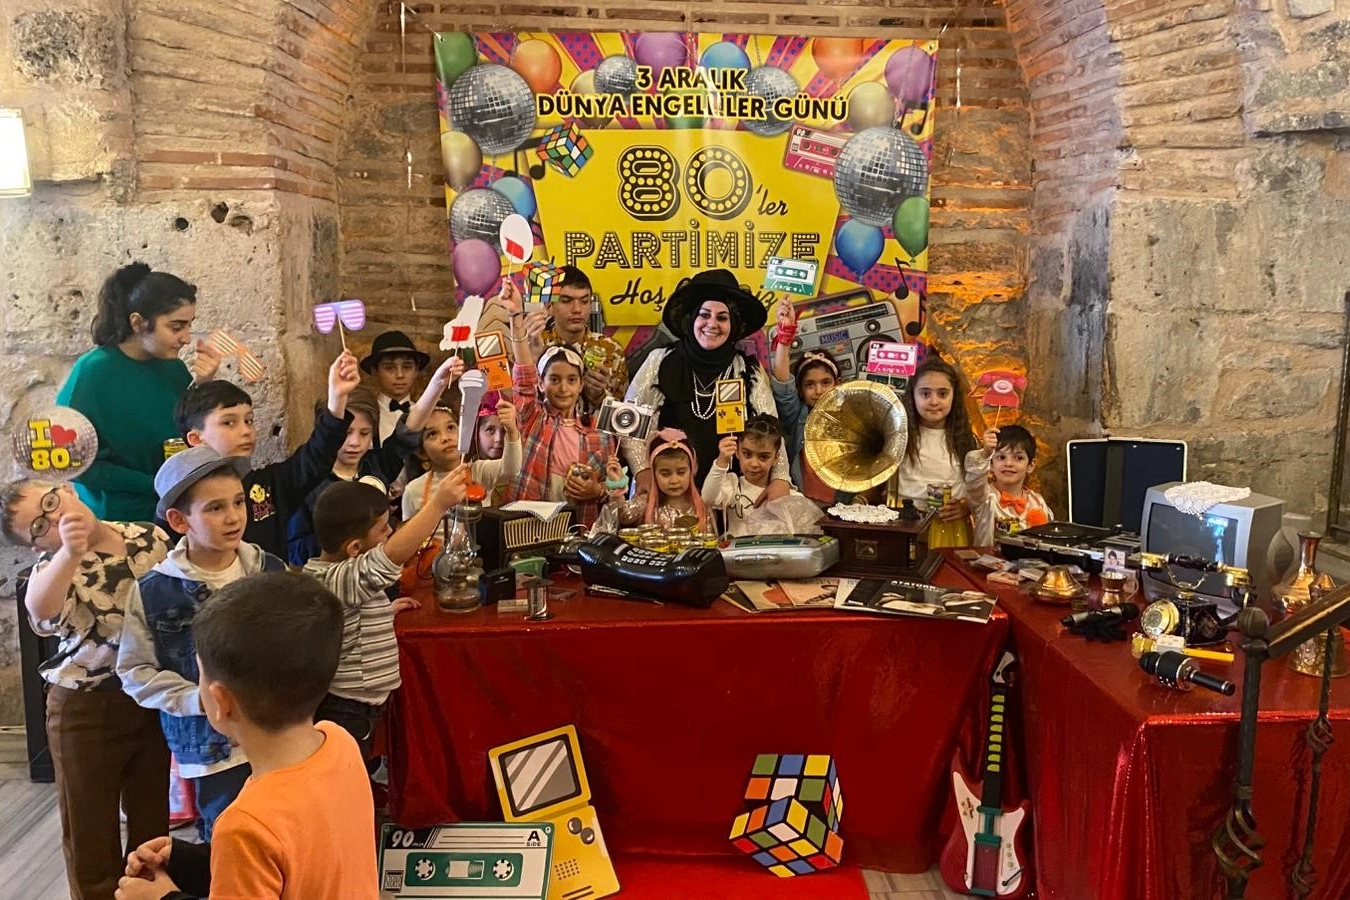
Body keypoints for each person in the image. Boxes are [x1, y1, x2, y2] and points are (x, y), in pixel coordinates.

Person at [114, 572, 379, 900]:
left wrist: (161, 898)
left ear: (221, 701)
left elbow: (260, 848)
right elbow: (292, 858)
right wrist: (185, 859)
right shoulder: (339, 742)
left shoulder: (245, 825)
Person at [0, 480, 171, 900]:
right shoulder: (52, 569)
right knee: (89, 829)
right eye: (40, 526)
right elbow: (40, 609)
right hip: (85, 709)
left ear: (68, 489)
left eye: (52, 502)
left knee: (152, 819)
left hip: (150, 696)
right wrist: (69, 552)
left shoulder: (148, 536)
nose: (55, 517)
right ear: (36, 546)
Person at [116, 446, 286, 842]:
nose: (234, 517)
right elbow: (135, 671)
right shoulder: (154, 591)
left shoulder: (269, 570)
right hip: (213, 752)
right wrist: (199, 700)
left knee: (283, 832)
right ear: (179, 520)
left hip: (276, 734)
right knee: (228, 837)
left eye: (239, 502)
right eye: (215, 508)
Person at [304, 466, 470, 759]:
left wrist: (383, 610)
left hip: (361, 706)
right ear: (355, 548)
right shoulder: (335, 579)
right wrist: (438, 504)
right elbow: (391, 557)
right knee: (347, 769)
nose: (391, 533)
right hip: (346, 708)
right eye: (383, 530)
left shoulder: (344, 580)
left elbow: (348, 617)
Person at [57, 263, 222, 521]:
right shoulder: (92, 372)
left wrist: (203, 385)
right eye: (176, 327)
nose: (187, 338)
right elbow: (75, 463)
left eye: (189, 325)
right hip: (117, 521)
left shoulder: (175, 369)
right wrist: (157, 484)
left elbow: (189, 433)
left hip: (177, 512)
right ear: (138, 322)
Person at [622, 269, 792, 498]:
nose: (712, 324)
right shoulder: (659, 361)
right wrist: (642, 470)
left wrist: (781, 477)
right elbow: (629, 424)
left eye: (722, 318)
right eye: (704, 315)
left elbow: (772, 429)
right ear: (692, 319)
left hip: (729, 499)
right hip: (666, 494)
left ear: (733, 324)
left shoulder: (747, 370)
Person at [175, 349, 360, 558]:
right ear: (196, 439)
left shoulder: (270, 485)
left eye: (249, 420)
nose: (246, 431)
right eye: (229, 423)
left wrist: (337, 399)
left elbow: (315, 457)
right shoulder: (181, 498)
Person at [286, 356, 463, 565]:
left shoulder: (375, 465)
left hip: (383, 574)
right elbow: (295, 549)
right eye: (346, 433)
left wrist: (437, 385)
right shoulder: (309, 478)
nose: (355, 442)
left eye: (364, 433)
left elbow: (406, 434)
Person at [498, 285, 618, 528]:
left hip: (579, 530)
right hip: (528, 528)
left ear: (581, 384)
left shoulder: (599, 433)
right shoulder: (533, 418)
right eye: (554, 379)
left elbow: (613, 487)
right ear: (540, 384)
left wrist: (597, 490)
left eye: (571, 380)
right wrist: (515, 317)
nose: (563, 388)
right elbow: (523, 376)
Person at [896, 357, 977, 547]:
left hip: (951, 527)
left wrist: (966, 506)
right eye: (925, 394)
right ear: (912, 395)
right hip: (905, 525)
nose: (934, 401)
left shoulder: (967, 440)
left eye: (942, 394)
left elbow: (979, 488)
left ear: (954, 396)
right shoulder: (899, 436)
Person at [769, 296, 842, 504]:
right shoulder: (797, 416)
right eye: (809, 385)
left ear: (838, 384)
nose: (819, 391)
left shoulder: (852, 416)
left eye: (826, 382)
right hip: (803, 503)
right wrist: (785, 335)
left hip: (843, 503)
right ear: (800, 391)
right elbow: (783, 385)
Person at [403, 397, 521, 518]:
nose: (445, 438)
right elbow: (408, 530)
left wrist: (511, 431)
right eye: (432, 434)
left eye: (450, 428)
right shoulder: (413, 491)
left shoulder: (478, 472)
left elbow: (511, 470)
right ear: (421, 452)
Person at [533, 266, 629, 408]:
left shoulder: (611, 350)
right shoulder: (537, 346)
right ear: (549, 307)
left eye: (584, 301)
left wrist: (599, 395)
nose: (577, 309)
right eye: (567, 301)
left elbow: (622, 413)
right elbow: (522, 402)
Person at [703, 415, 814, 537]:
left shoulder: (788, 496)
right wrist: (722, 461)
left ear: (776, 458)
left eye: (763, 457)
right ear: (737, 452)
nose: (754, 464)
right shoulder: (733, 486)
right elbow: (708, 498)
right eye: (747, 454)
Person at [602, 429, 711, 531]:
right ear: (653, 474)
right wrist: (617, 485)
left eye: (681, 472)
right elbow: (622, 515)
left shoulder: (703, 505)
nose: (674, 480)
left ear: (692, 471)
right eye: (665, 474)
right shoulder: (646, 502)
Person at [964, 424, 1053, 545]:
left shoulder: (1038, 502)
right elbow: (974, 480)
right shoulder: (984, 498)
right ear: (990, 464)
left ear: (1031, 465)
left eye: (1018, 458)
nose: (1009, 463)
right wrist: (985, 454)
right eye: (1001, 457)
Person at [360, 330, 431, 444]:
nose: (400, 375)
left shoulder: (427, 414)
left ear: (416, 370)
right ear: (375, 371)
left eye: (407, 367)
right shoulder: (364, 416)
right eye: (390, 368)